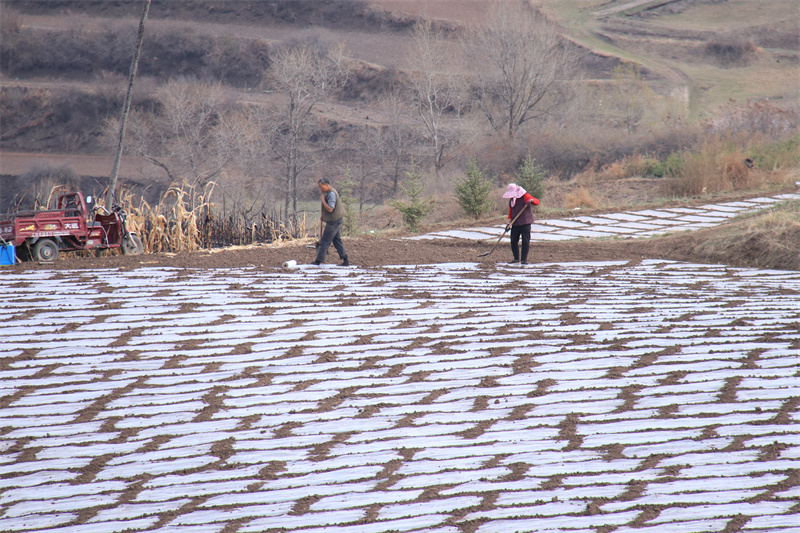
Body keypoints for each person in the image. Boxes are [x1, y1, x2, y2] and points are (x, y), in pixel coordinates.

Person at [312, 177, 349, 266]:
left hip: (334, 221)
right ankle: (345, 260)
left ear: (327, 185)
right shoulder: (330, 192)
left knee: (324, 241)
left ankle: (318, 261)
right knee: (337, 240)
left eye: (321, 187)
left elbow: (330, 209)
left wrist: (323, 200)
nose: (320, 189)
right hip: (336, 220)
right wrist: (324, 217)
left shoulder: (331, 194)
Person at [502, 183, 540, 265]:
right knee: (513, 241)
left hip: (525, 223)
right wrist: (508, 224)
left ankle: (524, 260)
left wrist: (531, 201)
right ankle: (516, 259)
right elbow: (510, 213)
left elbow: (537, 202)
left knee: (525, 241)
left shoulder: (525, 196)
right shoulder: (511, 201)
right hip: (515, 223)